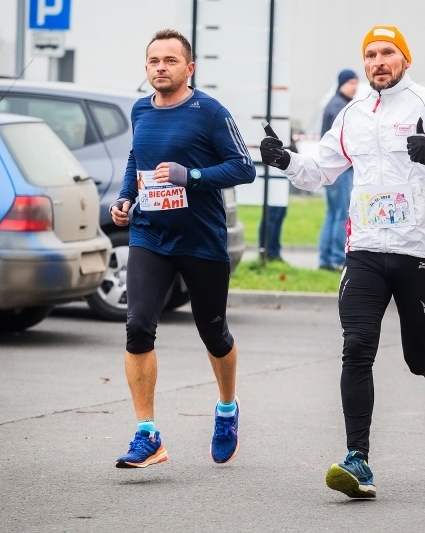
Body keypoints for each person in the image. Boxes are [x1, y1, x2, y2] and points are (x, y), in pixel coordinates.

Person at [260, 25, 425, 499]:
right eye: (371, 55)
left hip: (417, 254)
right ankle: (357, 459)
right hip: (363, 251)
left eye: (387, 53)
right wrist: (285, 160)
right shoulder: (353, 113)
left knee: (416, 357)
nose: (378, 62)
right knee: (357, 347)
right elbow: (320, 170)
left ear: (405, 59)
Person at [109, 29, 255, 468]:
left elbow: (243, 167)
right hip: (149, 235)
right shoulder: (140, 109)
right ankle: (147, 434)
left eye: (170, 60)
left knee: (214, 333)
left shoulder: (209, 112)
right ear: (146, 67)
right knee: (138, 326)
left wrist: (191, 176)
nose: (161, 67)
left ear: (189, 68)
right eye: (154, 61)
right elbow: (136, 160)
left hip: (200, 240)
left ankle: (226, 409)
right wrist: (125, 198)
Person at [318, 69, 359, 271]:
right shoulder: (340, 107)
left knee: (332, 213)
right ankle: (337, 258)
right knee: (342, 213)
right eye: (351, 83)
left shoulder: (335, 104)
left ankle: (325, 259)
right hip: (340, 169)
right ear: (341, 84)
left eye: (356, 83)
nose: (354, 87)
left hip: (330, 168)